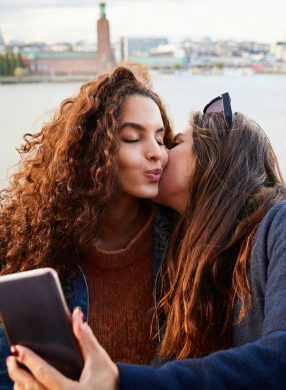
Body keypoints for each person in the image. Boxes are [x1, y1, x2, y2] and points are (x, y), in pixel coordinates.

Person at [6, 93, 286, 389]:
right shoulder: (205, 258)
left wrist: (120, 382)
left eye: (173, 142)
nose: (160, 154)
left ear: (214, 159)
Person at [0, 66, 175, 388]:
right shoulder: (34, 244)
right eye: (133, 138)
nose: (158, 153)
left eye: (162, 139)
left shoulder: (183, 239)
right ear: (92, 151)